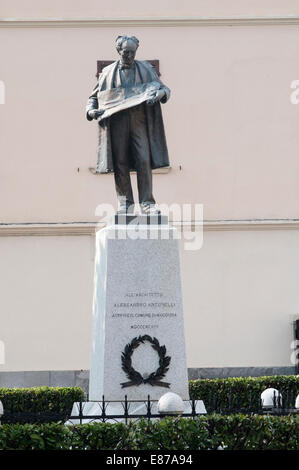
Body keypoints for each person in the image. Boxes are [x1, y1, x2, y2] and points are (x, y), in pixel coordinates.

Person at [86, 35, 171, 214]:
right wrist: (91, 111)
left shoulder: (146, 69)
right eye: (126, 52)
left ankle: (147, 203)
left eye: (132, 53)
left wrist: (159, 95)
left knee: (144, 160)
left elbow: (165, 89)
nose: (129, 56)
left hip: (139, 120)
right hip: (118, 122)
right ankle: (126, 205)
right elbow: (93, 98)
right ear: (119, 51)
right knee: (120, 162)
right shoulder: (107, 73)